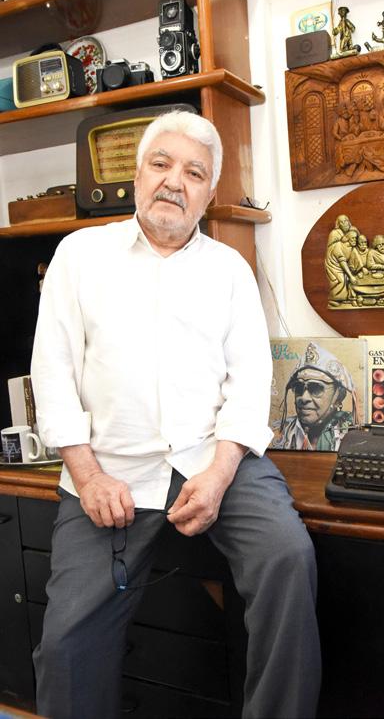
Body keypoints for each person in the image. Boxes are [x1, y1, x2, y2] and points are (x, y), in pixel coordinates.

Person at [30, 110, 321, 719]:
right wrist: (87, 476)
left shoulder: (230, 270)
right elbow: (52, 375)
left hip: (214, 458)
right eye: (161, 164)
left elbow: (250, 383)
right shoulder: (78, 256)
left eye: (194, 173)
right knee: (65, 644)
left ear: (209, 194)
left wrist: (219, 474)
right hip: (108, 469)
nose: (174, 181)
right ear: (137, 175)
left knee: (287, 557)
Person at [271, 341, 358, 451]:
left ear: (338, 397)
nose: (304, 398)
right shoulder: (276, 434)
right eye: (299, 388)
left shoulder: (353, 435)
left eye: (316, 388)